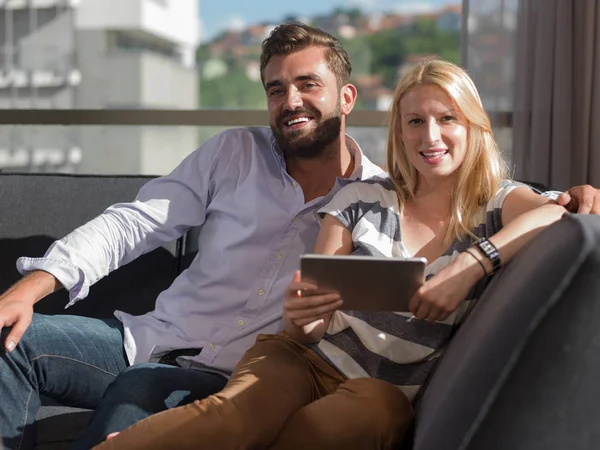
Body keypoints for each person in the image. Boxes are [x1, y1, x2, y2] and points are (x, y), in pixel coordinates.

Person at [0, 22, 598, 450]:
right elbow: (136, 222)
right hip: (150, 337)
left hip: (232, 373)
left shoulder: (382, 194)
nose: (291, 102)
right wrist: (33, 287)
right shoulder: (242, 156)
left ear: (346, 97)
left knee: (146, 393)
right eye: (276, 89)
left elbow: (537, 207)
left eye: (307, 85)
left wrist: (567, 202)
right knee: (13, 344)